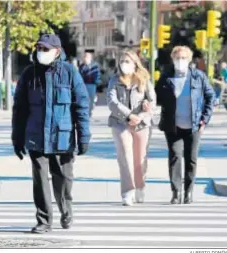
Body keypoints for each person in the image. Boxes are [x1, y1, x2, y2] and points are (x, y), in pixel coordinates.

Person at [12, 34, 91, 234]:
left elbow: (81, 106)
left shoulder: (70, 72)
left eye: (46, 49)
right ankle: (44, 219)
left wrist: (83, 137)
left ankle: (66, 209)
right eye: (39, 48)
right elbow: (19, 109)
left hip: (62, 137)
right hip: (36, 136)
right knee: (40, 180)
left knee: (63, 179)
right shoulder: (29, 74)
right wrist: (17, 138)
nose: (41, 53)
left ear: (57, 51)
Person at [155, 46, 215, 205]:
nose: (180, 61)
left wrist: (204, 119)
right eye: (177, 58)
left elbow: (211, 97)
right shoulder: (166, 76)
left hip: (194, 125)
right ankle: (176, 192)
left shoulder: (198, 76)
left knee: (191, 159)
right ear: (173, 59)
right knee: (175, 157)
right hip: (172, 125)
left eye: (183, 58)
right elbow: (156, 96)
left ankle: (188, 193)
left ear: (189, 60)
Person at [106, 50, 156, 206]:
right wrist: (128, 116)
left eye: (127, 61)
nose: (124, 64)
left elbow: (152, 101)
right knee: (125, 157)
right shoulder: (115, 80)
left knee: (140, 159)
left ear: (135, 63)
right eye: (122, 61)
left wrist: (141, 115)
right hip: (120, 123)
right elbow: (111, 101)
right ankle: (128, 191)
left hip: (141, 124)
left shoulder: (144, 79)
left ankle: (140, 187)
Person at [79, 49, 101, 117]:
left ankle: (90, 111)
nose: (86, 58)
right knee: (85, 99)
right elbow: (80, 75)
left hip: (92, 85)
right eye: (85, 56)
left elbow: (98, 74)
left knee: (91, 99)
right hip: (84, 85)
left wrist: (97, 82)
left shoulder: (95, 66)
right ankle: (86, 112)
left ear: (90, 58)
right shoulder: (82, 66)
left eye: (87, 57)